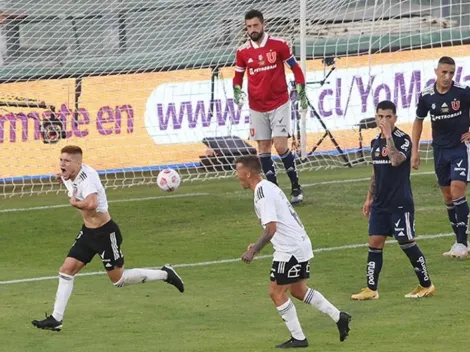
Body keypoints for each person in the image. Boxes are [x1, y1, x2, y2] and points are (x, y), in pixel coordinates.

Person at [32, 145, 184, 331]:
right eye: (61, 160)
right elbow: (71, 182)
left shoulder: (88, 179)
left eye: (67, 161)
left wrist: (75, 203)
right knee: (66, 270)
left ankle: (165, 273)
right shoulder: (70, 175)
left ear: (78, 163)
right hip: (88, 233)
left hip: (105, 233)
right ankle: (56, 319)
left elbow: (92, 203)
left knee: (119, 280)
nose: (62, 164)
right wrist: (62, 177)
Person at [235, 155, 351, 349]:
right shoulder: (267, 188)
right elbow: (274, 223)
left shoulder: (262, 192)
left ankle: (299, 338)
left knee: (276, 292)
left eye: (237, 171)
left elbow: (271, 229)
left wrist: (253, 251)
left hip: (290, 250)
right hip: (298, 244)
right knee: (298, 290)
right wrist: (255, 245)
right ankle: (339, 317)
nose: (236, 175)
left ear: (247, 173)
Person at [351, 101, 435, 301]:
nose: (384, 120)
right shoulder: (374, 143)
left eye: (388, 116)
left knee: (406, 242)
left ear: (395, 118)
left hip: (400, 203)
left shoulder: (403, 139)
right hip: (380, 203)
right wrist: (369, 198)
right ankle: (371, 289)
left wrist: (388, 135)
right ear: (376, 117)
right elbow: (375, 172)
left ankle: (427, 285)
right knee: (374, 243)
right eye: (380, 116)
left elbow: (396, 160)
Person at [233, 9, 308, 205]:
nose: (252, 29)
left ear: (263, 25)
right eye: (249, 27)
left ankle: (295, 186)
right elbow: (238, 76)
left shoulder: (279, 45)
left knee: (281, 145)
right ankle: (275, 193)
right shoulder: (242, 52)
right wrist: (237, 90)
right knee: (263, 148)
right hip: (256, 106)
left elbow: (296, 69)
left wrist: (301, 92)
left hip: (279, 102)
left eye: (256, 25)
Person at [411, 56, 470, 258]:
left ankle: (462, 242)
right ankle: (459, 241)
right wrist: (415, 151)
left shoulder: (462, 92)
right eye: (444, 72)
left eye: (451, 73)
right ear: (436, 71)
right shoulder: (426, 96)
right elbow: (418, 121)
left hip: (460, 148)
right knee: (447, 197)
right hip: (440, 151)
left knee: (457, 190)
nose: (447, 77)